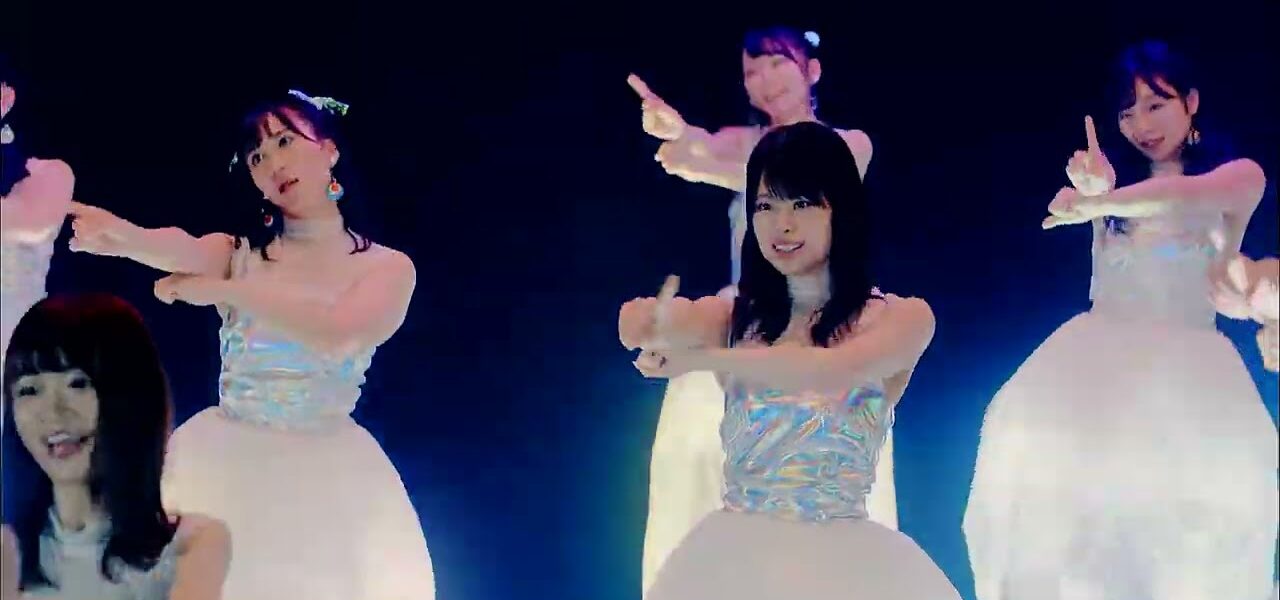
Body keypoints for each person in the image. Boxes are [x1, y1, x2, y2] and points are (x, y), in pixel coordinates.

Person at [66, 90, 435, 599]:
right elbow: (178, 246)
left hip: (328, 474)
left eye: (284, 142)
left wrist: (227, 292)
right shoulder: (241, 255)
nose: (273, 163)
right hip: (226, 461)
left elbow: (339, 330)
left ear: (329, 150)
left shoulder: (386, 268)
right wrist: (121, 235)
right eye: (257, 157)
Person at [963, 41, 1278, 599]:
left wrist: (1098, 202)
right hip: (1094, 367)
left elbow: (1178, 197)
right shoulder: (1111, 191)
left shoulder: (1238, 176)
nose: (1142, 125)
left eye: (1156, 105)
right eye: (1128, 113)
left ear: (1192, 102)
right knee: (1076, 533)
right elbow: (1111, 201)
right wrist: (1094, 191)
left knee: (1181, 536)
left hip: (1191, 375)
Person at [620, 122, 959, 599]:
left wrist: (700, 360)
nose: (782, 225)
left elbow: (829, 371)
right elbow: (654, 322)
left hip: (848, 568)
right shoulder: (736, 317)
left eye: (802, 204)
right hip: (732, 567)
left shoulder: (900, 318)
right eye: (766, 206)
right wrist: (646, 322)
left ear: (840, 208)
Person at [626, 27, 894, 593]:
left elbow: (773, 170)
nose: (764, 80)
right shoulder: (742, 143)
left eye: (777, 64)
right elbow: (695, 152)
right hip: (747, 319)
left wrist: (698, 154)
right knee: (707, 481)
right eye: (752, 71)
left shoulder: (848, 144)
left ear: (811, 71)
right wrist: (677, 134)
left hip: (827, 322)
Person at [1, 293, 230, 600]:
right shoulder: (8, 555)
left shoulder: (191, 544)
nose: (53, 413)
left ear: (128, 399)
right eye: (29, 390)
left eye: (77, 384)